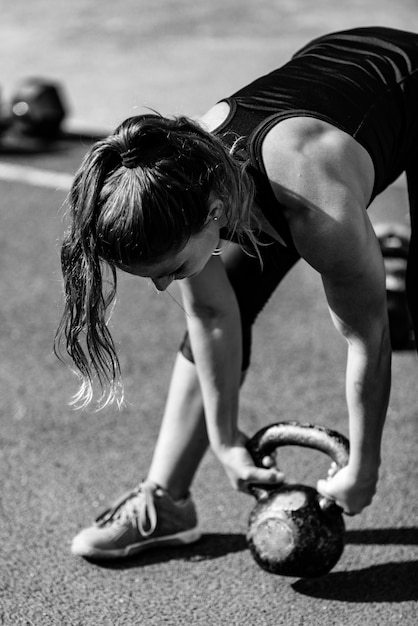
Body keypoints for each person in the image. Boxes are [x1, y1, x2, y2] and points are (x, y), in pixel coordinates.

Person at [55, 26, 418, 560]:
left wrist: (365, 464)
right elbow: (212, 313)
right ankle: (166, 501)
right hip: (328, 76)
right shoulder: (174, 172)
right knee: (227, 292)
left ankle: (385, 256)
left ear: (214, 214)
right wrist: (225, 438)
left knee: (386, 308)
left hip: (397, 88)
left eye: (169, 268)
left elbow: (368, 338)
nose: (160, 286)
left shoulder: (316, 202)